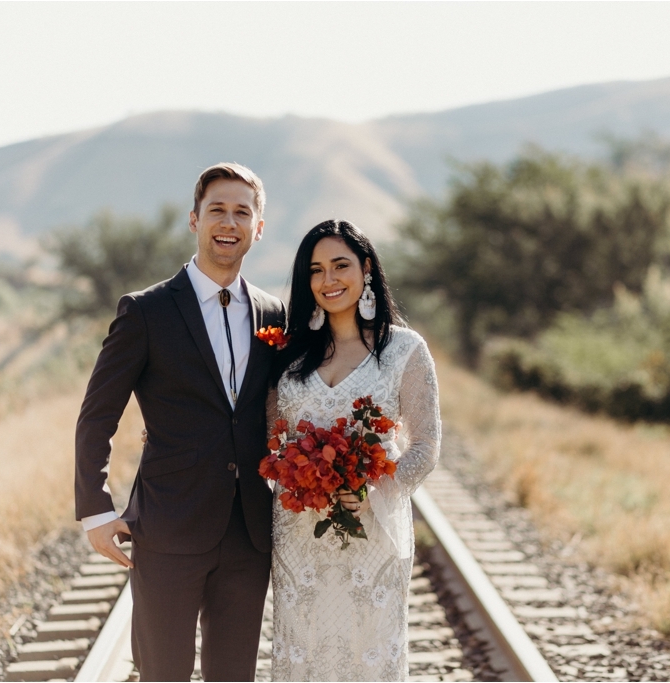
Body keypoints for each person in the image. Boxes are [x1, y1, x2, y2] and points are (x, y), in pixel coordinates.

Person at [74, 162, 286, 681]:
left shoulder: (274, 314)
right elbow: (97, 413)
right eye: (217, 210)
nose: (228, 222)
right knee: (163, 673)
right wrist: (95, 509)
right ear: (194, 219)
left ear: (258, 227)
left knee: (234, 674)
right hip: (169, 527)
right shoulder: (146, 312)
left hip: (250, 532)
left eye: (242, 212)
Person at [267, 219, 441, 681]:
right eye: (316, 270)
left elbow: (425, 445)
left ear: (366, 269)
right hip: (299, 533)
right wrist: (297, 481)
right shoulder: (288, 356)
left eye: (340, 265)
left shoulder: (404, 349)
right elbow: (268, 439)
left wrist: (373, 488)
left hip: (374, 533)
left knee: (369, 651)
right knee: (302, 651)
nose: (329, 280)